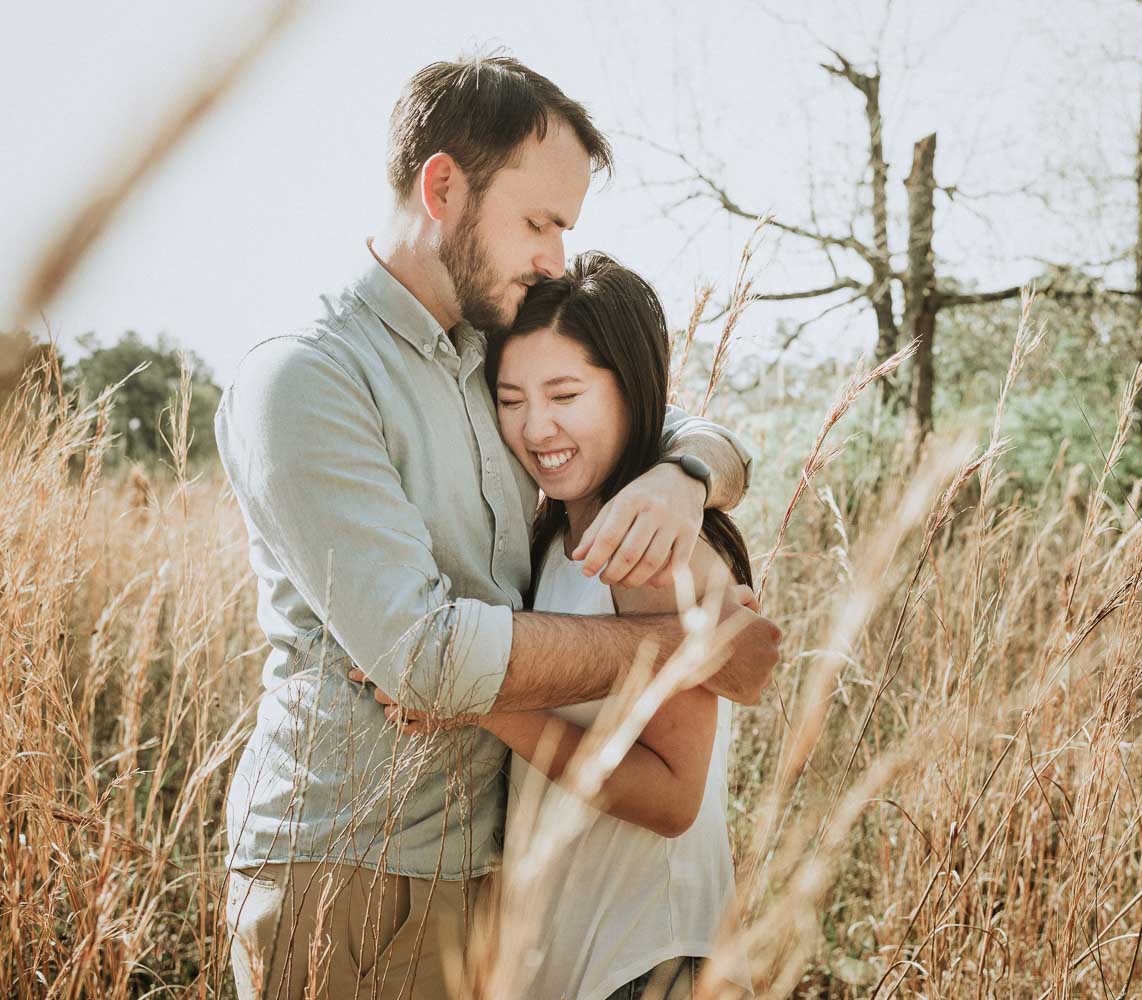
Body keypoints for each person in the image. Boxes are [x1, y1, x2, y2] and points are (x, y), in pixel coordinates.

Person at [217, 55, 781, 999]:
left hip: (488, 873)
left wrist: (686, 478)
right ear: (442, 188)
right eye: (539, 222)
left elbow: (656, 423)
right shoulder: (310, 380)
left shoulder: (490, 356)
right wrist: (685, 646)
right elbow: (424, 659)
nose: (556, 257)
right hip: (350, 868)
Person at [375, 252, 754, 999]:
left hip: (647, 958)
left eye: (565, 394)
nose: (536, 426)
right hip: (569, 956)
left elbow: (674, 801)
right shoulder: (552, 540)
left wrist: (484, 701)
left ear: (631, 390)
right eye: (510, 399)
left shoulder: (652, 548)